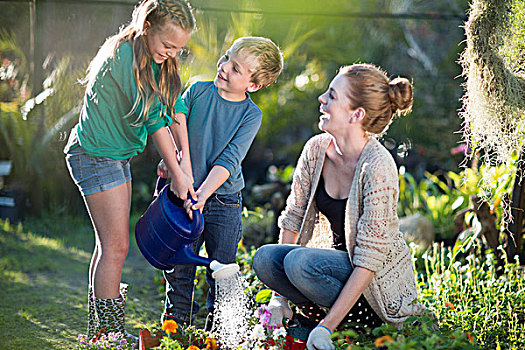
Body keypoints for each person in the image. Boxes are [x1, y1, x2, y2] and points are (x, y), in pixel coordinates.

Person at [252, 64, 429, 350]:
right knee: (265, 259)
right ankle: (312, 314)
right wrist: (278, 299)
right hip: (330, 270)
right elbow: (294, 217)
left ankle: (340, 322)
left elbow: (369, 260)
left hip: (371, 288)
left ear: (356, 114)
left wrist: (325, 329)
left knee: (300, 263)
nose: (321, 99)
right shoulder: (316, 149)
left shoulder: (378, 167)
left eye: (332, 96)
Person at [64, 0, 196, 339]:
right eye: (168, 45)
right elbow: (153, 119)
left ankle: (100, 334)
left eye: (179, 48)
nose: (172, 53)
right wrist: (177, 174)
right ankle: (108, 335)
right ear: (147, 27)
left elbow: (175, 106)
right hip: (94, 154)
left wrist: (185, 165)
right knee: (116, 247)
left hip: (114, 155)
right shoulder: (122, 56)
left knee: (108, 246)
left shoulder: (157, 59)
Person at [157, 36, 284, 328]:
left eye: (236, 68)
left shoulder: (251, 115)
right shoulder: (199, 90)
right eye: (227, 57)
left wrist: (202, 194)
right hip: (182, 194)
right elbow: (175, 116)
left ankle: (219, 335)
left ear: (253, 85)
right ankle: (175, 334)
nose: (224, 67)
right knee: (180, 268)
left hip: (223, 201)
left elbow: (229, 160)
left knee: (222, 271)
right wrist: (177, 163)